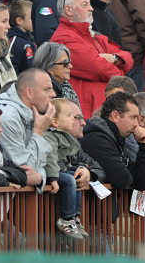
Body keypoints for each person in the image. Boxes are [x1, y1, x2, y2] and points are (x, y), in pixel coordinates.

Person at [50, 0, 134, 118]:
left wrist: (114, 58)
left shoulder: (93, 36)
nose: (91, 8)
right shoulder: (63, 38)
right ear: (68, 10)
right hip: (86, 114)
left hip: (102, 110)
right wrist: (119, 70)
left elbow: (128, 58)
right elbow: (99, 68)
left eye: (89, 4)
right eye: (84, 5)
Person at [80, 92, 145, 215]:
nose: (136, 124)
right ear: (115, 116)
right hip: (89, 221)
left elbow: (140, 183)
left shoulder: (115, 139)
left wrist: (144, 146)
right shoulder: (97, 140)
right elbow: (123, 179)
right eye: (132, 117)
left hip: (100, 221)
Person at [0, 68, 56, 191]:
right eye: (47, 89)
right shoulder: (7, 118)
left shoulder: (37, 116)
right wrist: (38, 131)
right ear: (29, 93)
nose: (53, 94)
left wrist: (40, 177)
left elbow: (42, 165)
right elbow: (25, 169)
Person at [44, 98, 90, 240]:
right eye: (69, 116)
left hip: (58, 171)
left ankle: (75, 217)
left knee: (76, 176)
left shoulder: (64, 136)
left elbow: (65, 162)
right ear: (56, 121)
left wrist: (79, 167)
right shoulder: (50, 135)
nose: (73, 119)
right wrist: (53, 178)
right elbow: (50, 158)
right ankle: (67, 218)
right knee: (70, 179)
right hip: (48, 173)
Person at [8, 0, 37, 74]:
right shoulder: (15, 42)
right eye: (31, 18)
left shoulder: (30, 38)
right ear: (19, 21)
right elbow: (12, 70)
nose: (35, 20)